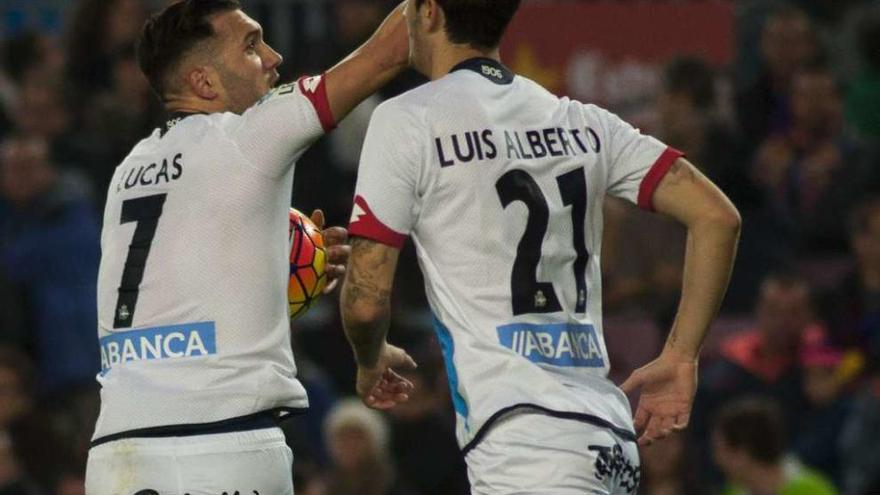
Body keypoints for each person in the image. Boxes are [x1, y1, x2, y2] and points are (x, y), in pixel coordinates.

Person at [339, 0, 741, 493]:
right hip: (607, 437)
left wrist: (369, 356)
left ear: (428, 13)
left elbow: (364, 300)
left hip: (525, 439)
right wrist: (681, 357)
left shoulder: (407, 119)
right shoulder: (582, 121)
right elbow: (718, 217)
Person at [84, 1, 412, 493]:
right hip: (224, 447)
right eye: (251, 46)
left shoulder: (128, 170)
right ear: (204, 83)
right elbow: (387, 54)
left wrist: (279, 273)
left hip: (116, 454)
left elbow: (180, 297)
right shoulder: (249, 136)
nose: (274, 56)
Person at [712, 397, 838, 495]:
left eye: (720, 449)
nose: (717, 460)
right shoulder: (732, 491)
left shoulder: (813, 491)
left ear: (742, 454)